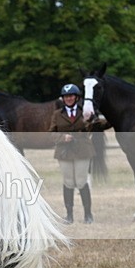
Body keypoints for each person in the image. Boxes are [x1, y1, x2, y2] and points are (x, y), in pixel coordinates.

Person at [50, 83, 95, 224]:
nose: (69, 98)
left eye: (71, 96)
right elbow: (51, 133)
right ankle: (69, 215)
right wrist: (62, 138)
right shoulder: (57, 114)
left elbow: (95, 127)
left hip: (82, 150)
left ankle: (88, 214)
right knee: (68, 182)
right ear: (63, 99)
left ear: (76, 97)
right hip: (64, 151)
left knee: (81, 181)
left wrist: (92, 121)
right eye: (66, 96)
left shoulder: (85, 112)